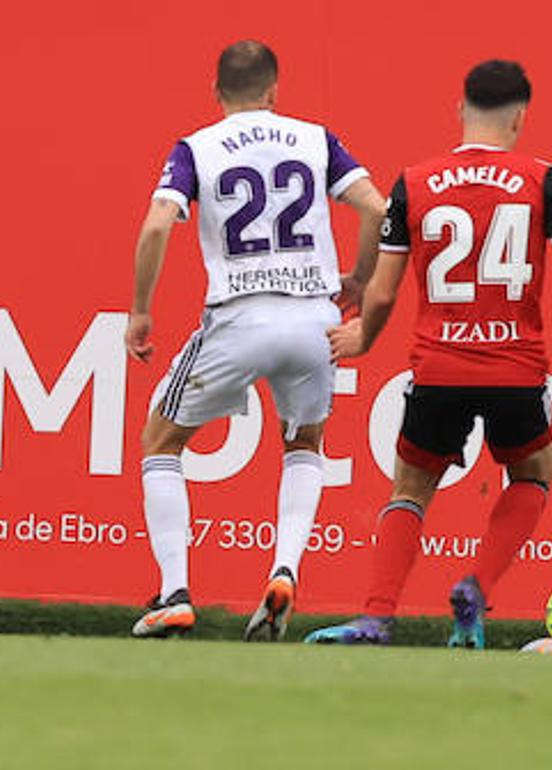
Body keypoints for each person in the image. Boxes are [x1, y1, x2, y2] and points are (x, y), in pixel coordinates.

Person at [304, 59, 552, 648]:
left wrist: (363, 337)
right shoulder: (542, 180)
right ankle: (475, 590)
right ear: (519, 117)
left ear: (460, 110)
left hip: (437, 367)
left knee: (410, 490)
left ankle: (377, 616)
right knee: (533, 475)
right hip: (515, 368)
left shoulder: (416, 180)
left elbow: (382, 289)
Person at [125, 40, 386, 640]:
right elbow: (377, 207)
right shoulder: (315, 138)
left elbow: (158, 224)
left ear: (217, 94)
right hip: (313, 317)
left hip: (240, 315)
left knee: (160, 442)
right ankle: (285, 569)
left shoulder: (197, 146)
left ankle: (173, 593)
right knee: (305, 443)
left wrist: (140, 312)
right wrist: (359, 279)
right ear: (274, 91)